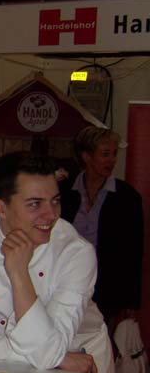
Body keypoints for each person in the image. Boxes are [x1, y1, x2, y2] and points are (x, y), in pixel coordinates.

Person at [0, 151, 114, 373]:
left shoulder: (75, 252)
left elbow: (50, 350)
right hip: (62, 361)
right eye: (35, 204)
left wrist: (19, 273)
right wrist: (59, 359)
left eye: (55, 201)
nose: (51, 215)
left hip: (83, 361)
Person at [60, 126, 144, 334]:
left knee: (98, 341)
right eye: (105, 154)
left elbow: (133, 251)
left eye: (114, 154)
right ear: (86, 156)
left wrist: (131, 302)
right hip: (64, 281)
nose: (112, 161)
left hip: (107, 288)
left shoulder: (127, 197)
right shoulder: (63, 192)